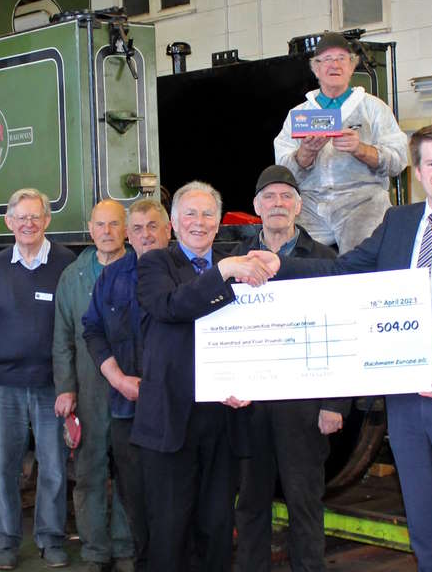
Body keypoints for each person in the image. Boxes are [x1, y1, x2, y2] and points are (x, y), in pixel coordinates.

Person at [261, 124, 432, 572]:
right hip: (405, 399)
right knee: (423, 525)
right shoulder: (399, 222)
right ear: (418, 172)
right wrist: (280, 266)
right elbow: (344, 269)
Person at [132, 182, 273, 572]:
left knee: (217, 525)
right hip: (170, 422)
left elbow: (261, 326)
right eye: (190, 214)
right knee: (170, 530)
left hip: (223, 419)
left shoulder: (240, 262)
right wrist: (224, 271)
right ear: (174, 223)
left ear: (218, 223)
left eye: (208, 214)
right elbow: (171, 306)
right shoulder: (155, 264)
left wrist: (250, 380)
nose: (199, 222)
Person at [233, 165, 346, 572]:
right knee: (250, 504)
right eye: (269, 197)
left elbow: (340, 330)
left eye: (285, 197)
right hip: (249, 406)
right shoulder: (234, 260)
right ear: (256, 207)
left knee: (304, 503)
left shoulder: (324, 259)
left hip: (305, 405)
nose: (277, 204)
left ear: (298, 206)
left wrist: (335, 403)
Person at [0, 189, 77, 571]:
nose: (29, 224)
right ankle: (6, 542)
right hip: (3, 386)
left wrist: (71, 383)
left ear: (47, 221)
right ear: (9, 222)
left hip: (51, 386)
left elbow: (77, 325)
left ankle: (50, 539)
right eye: (21, 217)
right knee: (4, 468)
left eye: (36, 217)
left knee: (54, 466)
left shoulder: (66, 263)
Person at [83, 198, 174, 572]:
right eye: (136, 228)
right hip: (128, 411)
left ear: (168, 230)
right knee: (136, 501)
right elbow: (92, 330)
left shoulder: (188, 273)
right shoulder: (112, 277)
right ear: (127, 234)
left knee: (175, 501)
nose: (145, 234)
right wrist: (117, 378)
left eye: (153, 226)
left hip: (177, 413)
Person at [52, 200, 135, 571]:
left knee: (128, 472)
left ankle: (124, 546)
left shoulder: (140, 270)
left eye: (114, 224)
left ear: (126, 229)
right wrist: (66, 388)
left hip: (129, 389)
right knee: (89, 473)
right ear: (90, 228)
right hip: (87, 390)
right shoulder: (73, 276)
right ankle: (94, 551)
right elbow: (62, 339)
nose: (106, 231)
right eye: (100, 224)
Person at [273, 31, 409, 252]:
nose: (334, 65)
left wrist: (361, 149)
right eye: (326, 59)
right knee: (295, 257)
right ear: (315, 68)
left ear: (352, 66)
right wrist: (305, 154)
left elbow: (399, 160)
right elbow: (282, 170)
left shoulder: (373, 108)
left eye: (341, 58)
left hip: (362, 202)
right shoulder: (298, 114)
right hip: (311, 206)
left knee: (362, 263)